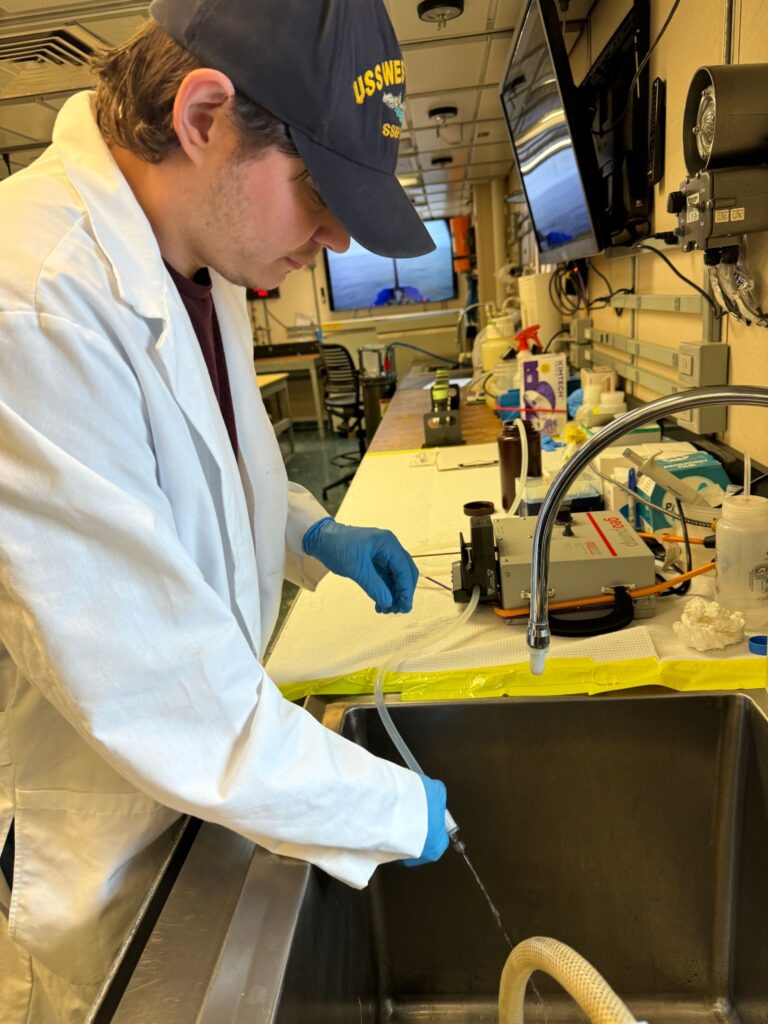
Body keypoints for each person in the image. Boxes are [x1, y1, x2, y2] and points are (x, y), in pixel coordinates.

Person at [0, 1, 451, 1020]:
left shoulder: (197, 256)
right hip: (106, 849)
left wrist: (305, 530)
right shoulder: (31, 297)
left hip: (200, 801)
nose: (335, 236)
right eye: (319, 193)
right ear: (204, 116)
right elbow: (151, 680)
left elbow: (201, 468)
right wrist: (383, 806)